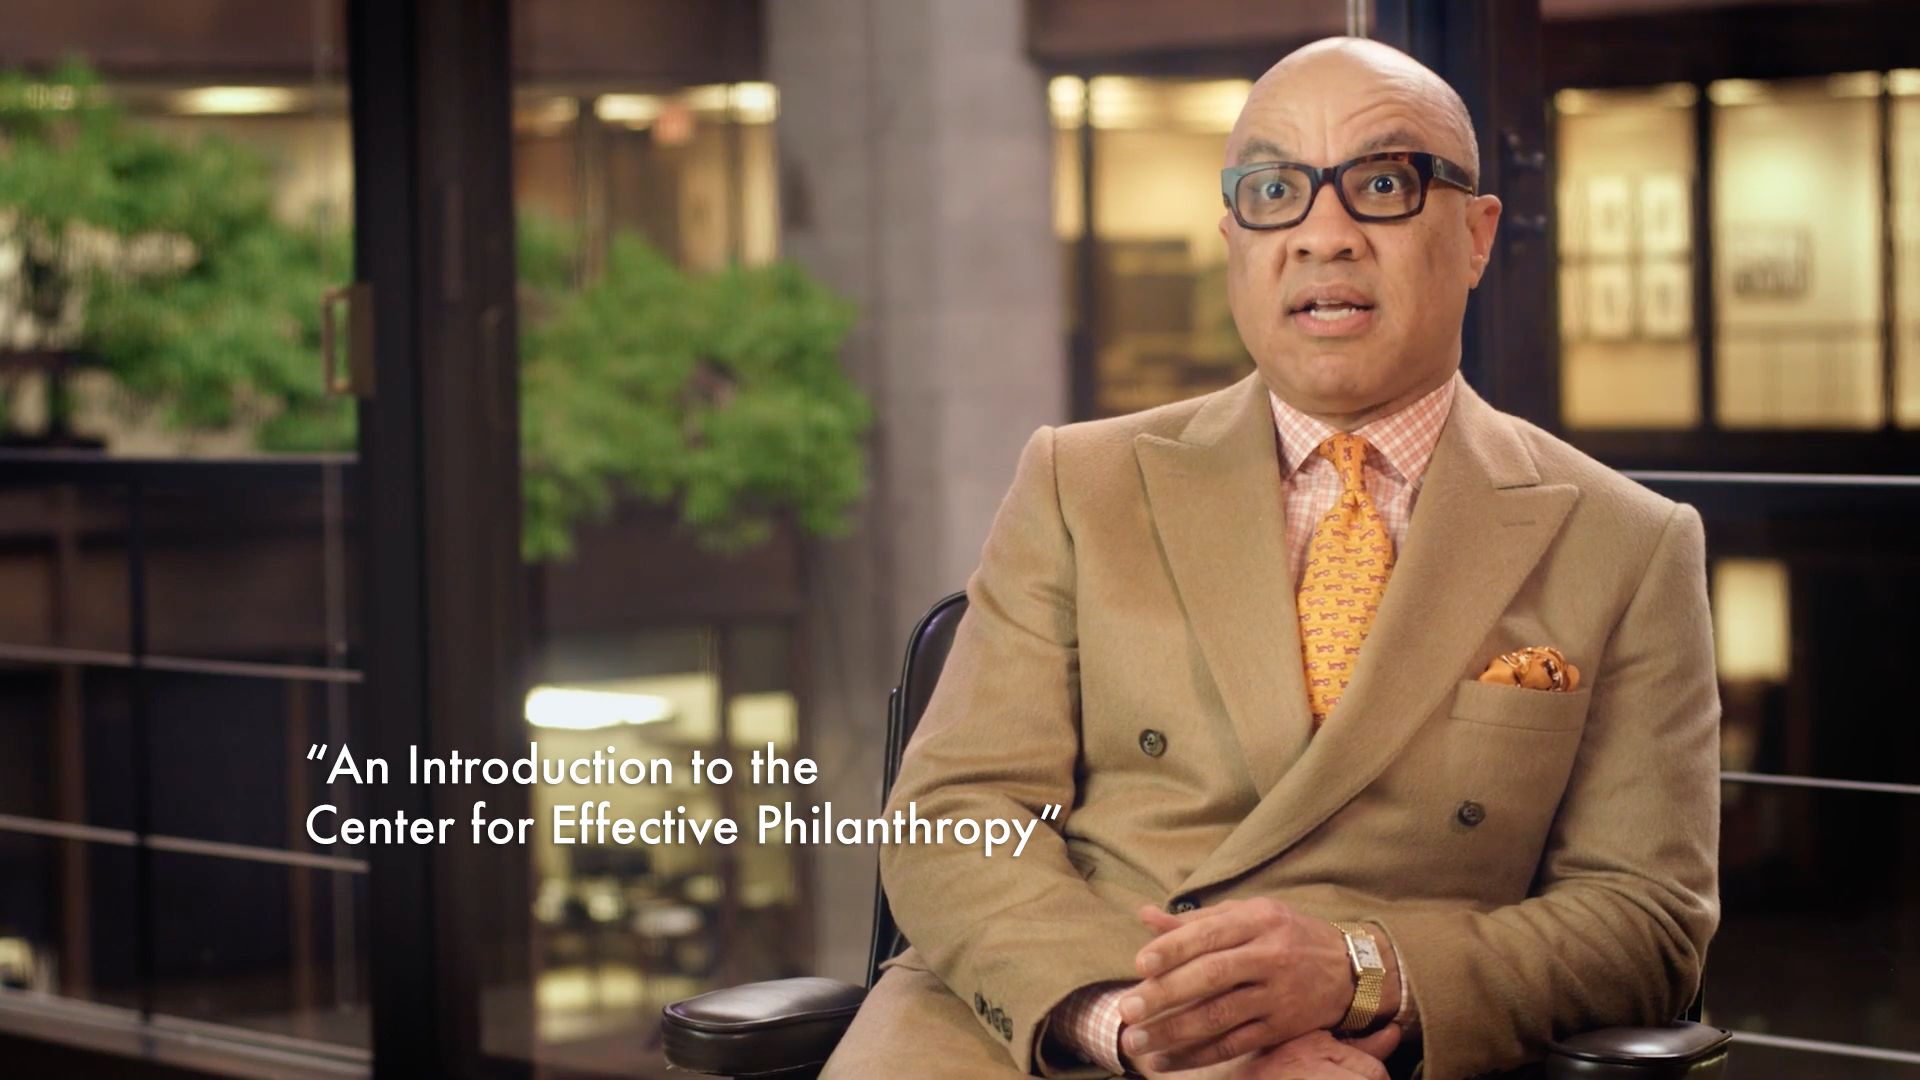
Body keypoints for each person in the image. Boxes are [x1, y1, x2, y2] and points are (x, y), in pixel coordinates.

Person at [820, 36, 1719, 1080]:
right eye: (1275, 192)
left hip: (1364, 1052)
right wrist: (1141, 1025)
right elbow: (954, 819)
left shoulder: (1629, 542)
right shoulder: (1079, 481)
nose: (1322, 236)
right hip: (1041, 1017)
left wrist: (1362, 971)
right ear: (1232, 242)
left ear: (1477, 236)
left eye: (1381, 184)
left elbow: (1645, 919)